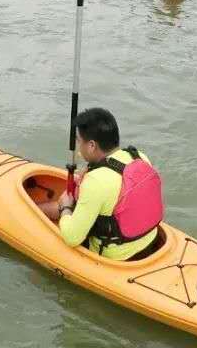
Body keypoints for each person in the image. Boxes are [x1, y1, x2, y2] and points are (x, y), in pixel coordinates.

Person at [38, 108, 163, 261]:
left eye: (79, 141)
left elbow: (72, 238)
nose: (78, 146)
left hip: (118, 257)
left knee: (63, 208)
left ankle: (35, 210)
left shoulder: (96, 181)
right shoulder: (139, 157)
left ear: (91, 145)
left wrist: (65, 207)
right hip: (149, 241)